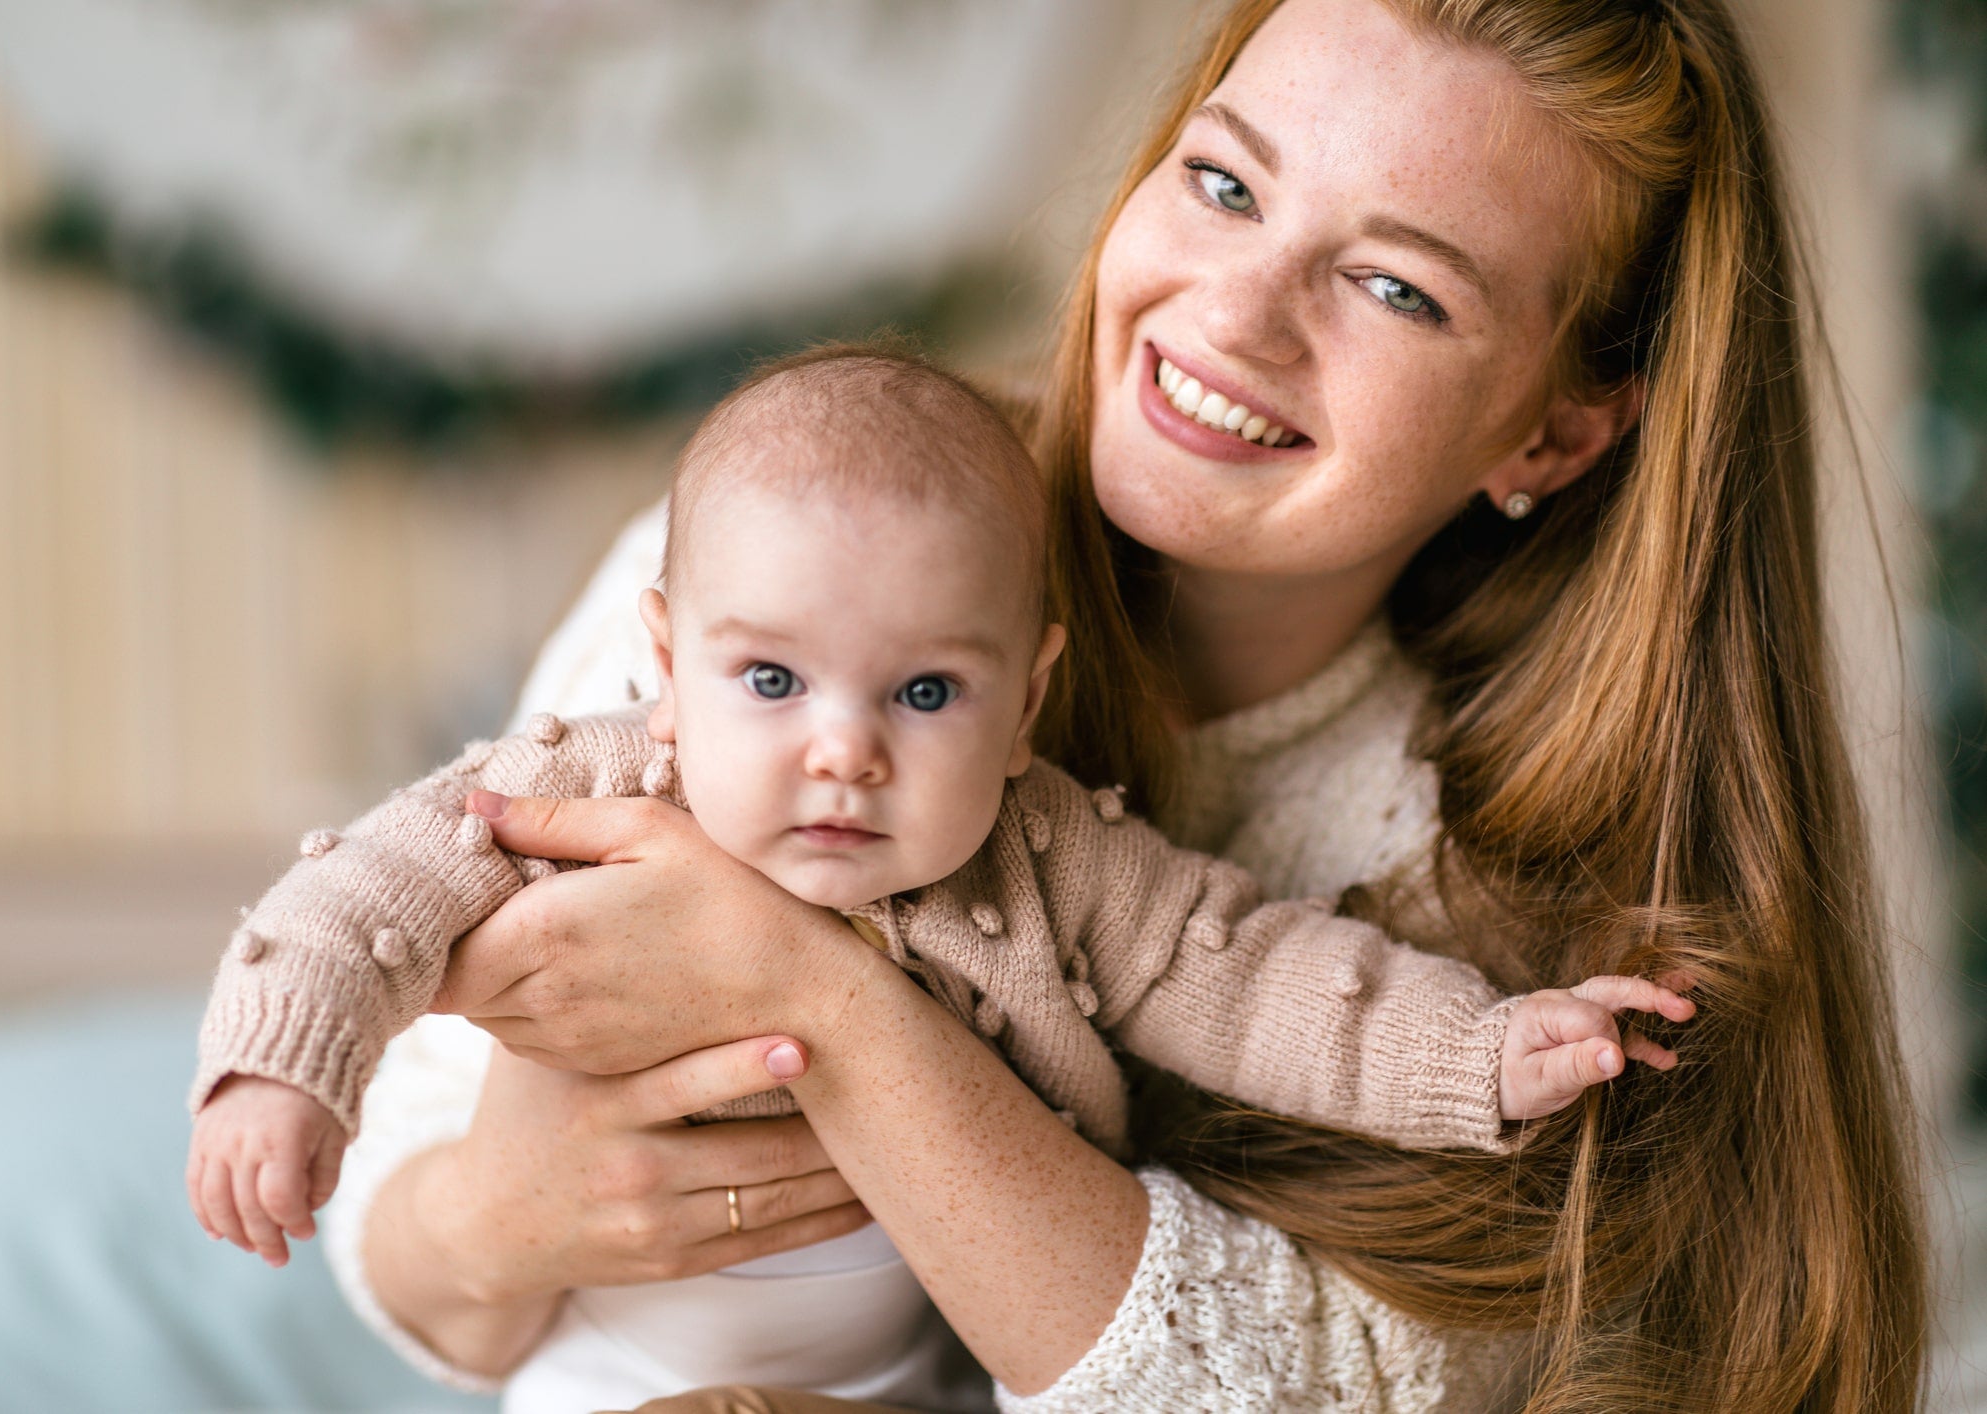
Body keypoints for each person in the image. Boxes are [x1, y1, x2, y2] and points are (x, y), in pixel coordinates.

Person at [331, 0, 1930, 1409]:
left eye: (1393, 289)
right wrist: (501, 1211)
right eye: (1223, 183)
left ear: (1556, 435)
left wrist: (817, 995)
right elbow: (405, 1246)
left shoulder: (1529, 894)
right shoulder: (786, 566)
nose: (1231, 315)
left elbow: (1302, 1393)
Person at [186, 346, 1683, 1409]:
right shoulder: (590, 775)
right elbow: (361, 896)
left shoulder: (1050, 854)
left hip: (915, 1377)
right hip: (604, 1370)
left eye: (921, 696)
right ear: (666, 658)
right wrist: (279, 1074)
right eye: (770, 677)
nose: (842, 753)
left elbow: (1262, 978)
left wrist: (1477, 1047)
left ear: (1026, 698)